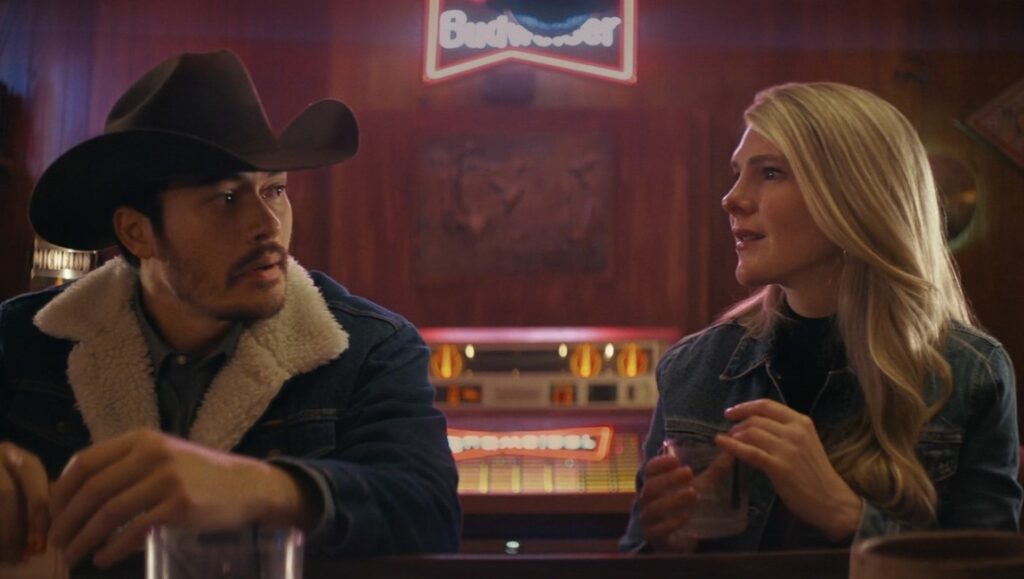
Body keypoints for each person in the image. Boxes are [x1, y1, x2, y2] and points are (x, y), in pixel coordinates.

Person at [0, 50, 461, 571]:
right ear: (137, 232)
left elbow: (431, 512)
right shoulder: (19, 341)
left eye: (276, 190)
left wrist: (261, 489)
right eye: (225, 199)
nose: (267, 224)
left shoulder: (371, 347)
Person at [621, 82, 1022, 553]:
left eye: (769, 173)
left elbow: (990, 568)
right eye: (737, 174)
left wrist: (846, 516)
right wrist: (663, 547)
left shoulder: (969, 371)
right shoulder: (692, 369)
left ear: (854, 197)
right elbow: (637, 555)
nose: (732, 198)